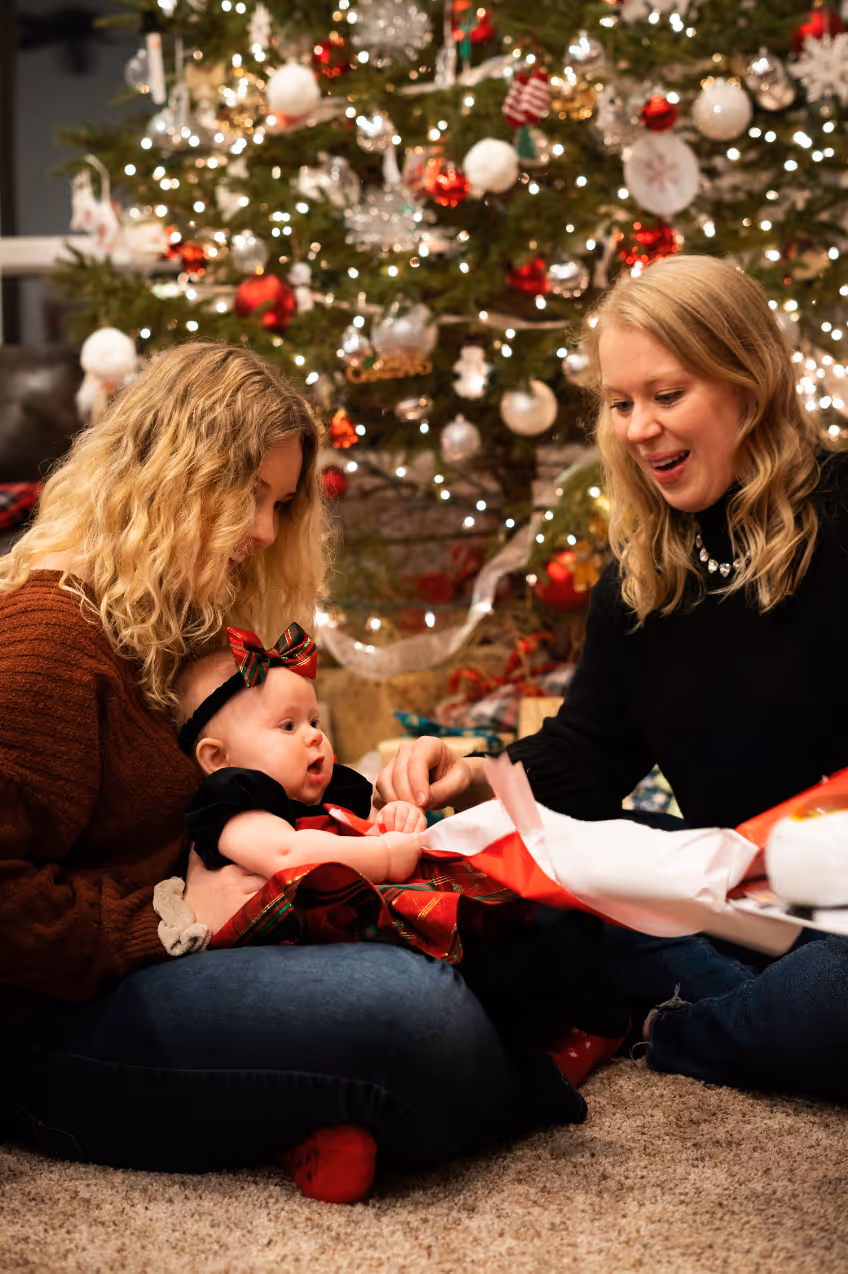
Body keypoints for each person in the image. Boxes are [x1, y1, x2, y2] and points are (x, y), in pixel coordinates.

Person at [0, 341, 593, 1208]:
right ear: (171, 481)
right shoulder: (49, 636)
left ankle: (334, 1102)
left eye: (280, 504)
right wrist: (163, 921)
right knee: (419, 1013)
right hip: (60, 1020)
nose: (267, 532)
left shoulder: (177, 621)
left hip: (207, 955)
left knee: (507, 904)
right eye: (249, 496)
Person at [376, 255, 848, 1106]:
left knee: (830, 996)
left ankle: (675, 1024)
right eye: (621, 403)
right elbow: (589, 757)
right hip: (723, 891)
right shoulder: (642, 572)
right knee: (527, 892)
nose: (638, 429)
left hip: (833, 904)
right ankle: (711, 998)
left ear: (749, 384)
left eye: (666, 395)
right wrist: (470, 774)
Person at [173, 620, 427, 938]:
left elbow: (365, 831)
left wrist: (392, 817)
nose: (314, 736)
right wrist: (386, 856)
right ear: (218, 758)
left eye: (314, 721)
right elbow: (287, 854)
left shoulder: (333, 790)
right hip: (264, 948)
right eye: (288, 726)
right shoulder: (232, 803)